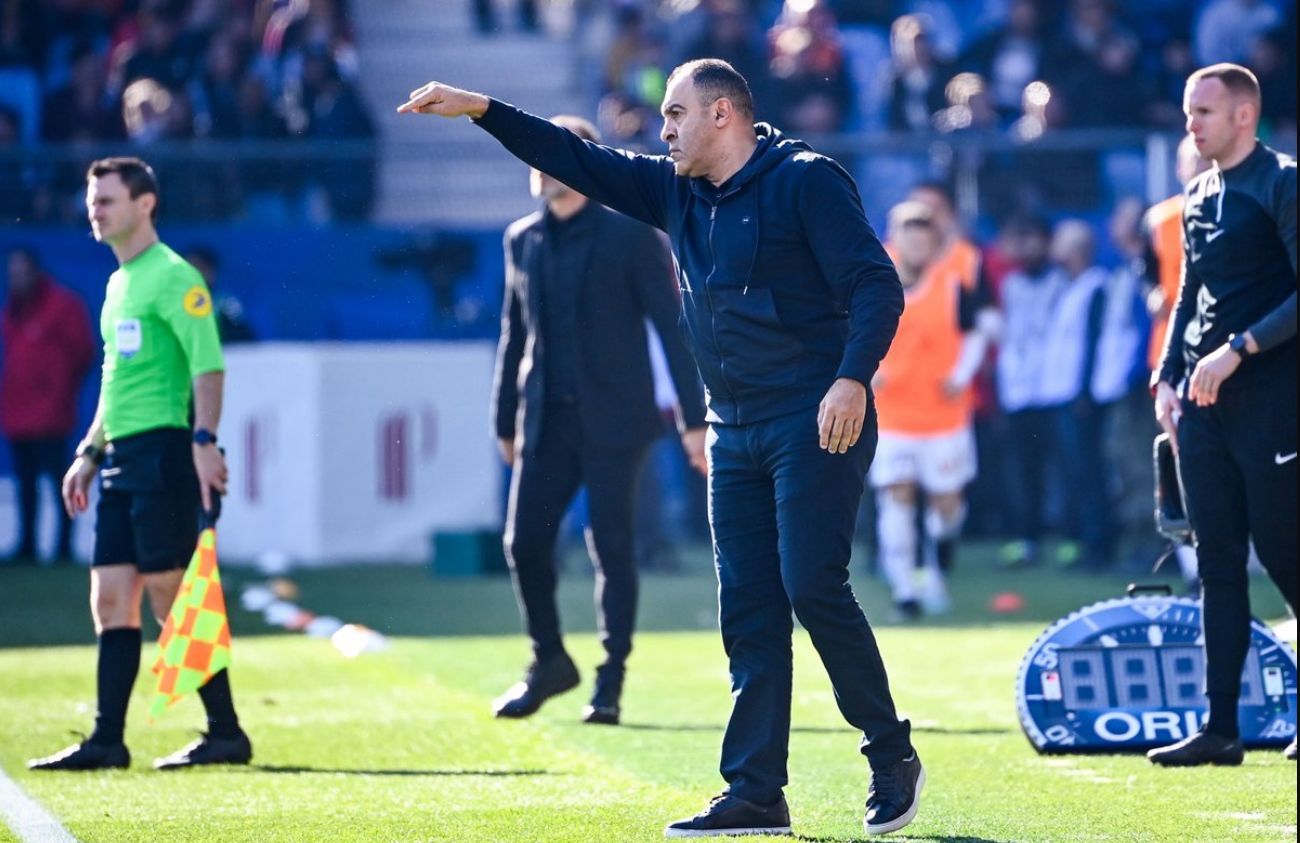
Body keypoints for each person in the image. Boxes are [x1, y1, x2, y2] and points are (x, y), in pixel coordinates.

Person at [399, 57, 922, 838]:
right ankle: (755, 791)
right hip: (732, 424)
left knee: (811, 584)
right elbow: (574, 156)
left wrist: (852, 379)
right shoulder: (672, 188)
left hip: (814, 415)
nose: (662, 130)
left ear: (723, 116)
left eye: (675, 115)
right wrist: (482, 108)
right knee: (747, 606)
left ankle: (890, 754)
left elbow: (877, 285)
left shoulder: (807, 180)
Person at [28, 157, 253, 772]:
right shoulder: (118, 283)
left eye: (106, 200)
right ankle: (108, 739)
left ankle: (226, 731)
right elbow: (113, 381)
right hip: (121, 458)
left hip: (163, 453)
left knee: (169, 597)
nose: (94, 211)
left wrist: (203, 440)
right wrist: (89, 450)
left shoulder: (175, 277)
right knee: (111, 599)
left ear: (145, 204)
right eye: (92, 200)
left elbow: (208, 365)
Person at [491, 114, 707, 726]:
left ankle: (610, 680)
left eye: (548, 157)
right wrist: (503, 417)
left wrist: (693, 418)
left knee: (611, 547)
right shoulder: (522, 239)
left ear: (577, 164)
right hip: (545, 419)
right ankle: (549, 659)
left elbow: (672, 327)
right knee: (524, 544)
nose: (537, 170)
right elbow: (514, 334)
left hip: (618, 418)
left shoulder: (632, 236)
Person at [1148, 64, 1296, 766]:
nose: (1192, 124)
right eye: (1188, 112)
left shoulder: (1282, 182)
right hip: (1203, 406)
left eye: (1204, 111)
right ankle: (1220, 727)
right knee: (1217, 564)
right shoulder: (1198, 190)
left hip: (1272, 401)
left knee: (1287, 553)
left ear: (1244, 115)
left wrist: (1240, 348)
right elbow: (1189, 294)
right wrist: (1167, 374)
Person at [871, 202, 985, 620]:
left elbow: (974, 335)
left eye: (924, 236)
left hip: (944, 415)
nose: (916, 244)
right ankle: (904, 586)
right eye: (908, 234)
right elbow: (842, 328)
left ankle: (937, 568)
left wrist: (961, 374)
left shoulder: (954, 284)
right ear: (894, 239)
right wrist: (867, 369)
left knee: (946, 504)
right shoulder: (871, 279)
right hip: (893, 415)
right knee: (896, 494)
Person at [0, 247, 95, 564]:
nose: (16, 278)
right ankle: (27, 544)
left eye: (21, 270)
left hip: (52, 411)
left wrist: (59, 386)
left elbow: (83, 351)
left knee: (60, 480)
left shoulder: (63, 305)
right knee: (25, 482)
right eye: (12, 272)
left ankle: (63, 546)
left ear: (35, 271)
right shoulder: (13, 309)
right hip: (18, 410)